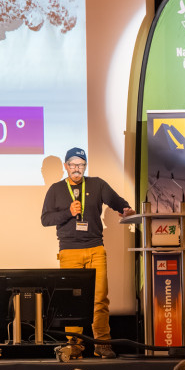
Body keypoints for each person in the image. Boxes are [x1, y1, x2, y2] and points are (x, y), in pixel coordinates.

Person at [41, 147, 135, 359]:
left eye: (81, 164)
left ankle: (102, 344)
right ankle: (74, 346)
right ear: (66, 166)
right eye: (73, 164)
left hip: (95, 249)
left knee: (100, 299)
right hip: (69, 251)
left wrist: (126, 209)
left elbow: (118, 202)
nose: (77, 168)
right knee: (72, 301)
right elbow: (45, 219)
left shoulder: (97, 184)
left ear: (85, 166)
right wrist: (68, 212)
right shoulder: (56, 189)